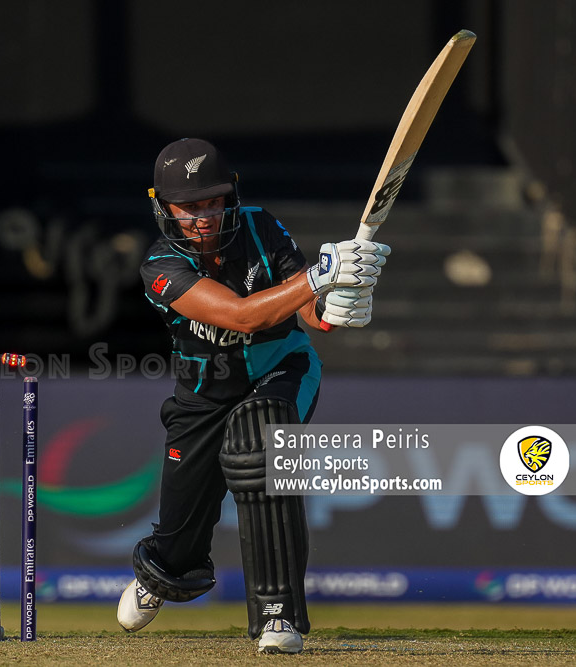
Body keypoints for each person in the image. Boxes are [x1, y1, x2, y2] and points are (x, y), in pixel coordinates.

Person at [116, 139, 389, 654]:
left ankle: (278, 615)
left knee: (257, 446)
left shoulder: (261, 226)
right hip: (201, 395)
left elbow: (309, 315)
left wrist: (340, 300)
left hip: (281, 370)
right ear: (164, 208)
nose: (204, 215)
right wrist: (319, 276)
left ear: (230, 195)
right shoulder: (159, 263)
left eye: (214, 201)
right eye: (190, 207)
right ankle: (163, 572)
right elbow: (241, 315)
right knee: (178, 542)